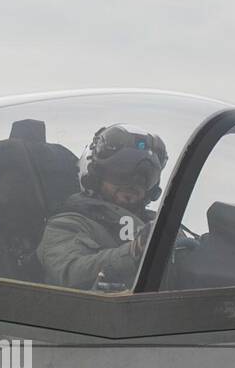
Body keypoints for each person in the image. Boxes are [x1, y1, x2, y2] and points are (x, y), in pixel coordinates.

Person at [36, 123, 168, 291]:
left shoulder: (162, 226)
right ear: (96, 174)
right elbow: (69, 272)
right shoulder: (67, 223)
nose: (133, 183)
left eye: (144, 178)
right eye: (121, 173)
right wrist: (135, 251)